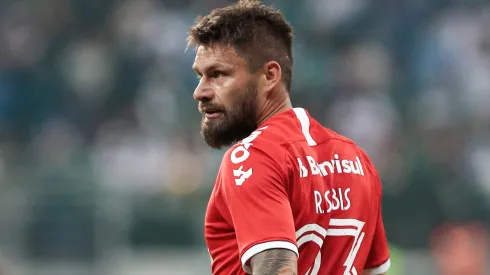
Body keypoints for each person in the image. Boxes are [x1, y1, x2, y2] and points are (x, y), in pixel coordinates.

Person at [188, 0, 390, 274]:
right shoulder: (357, 160)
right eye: (201, 76)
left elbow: (277, 266)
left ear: (270, 75)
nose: (200, 92)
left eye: (218, 74)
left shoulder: (251, 157)